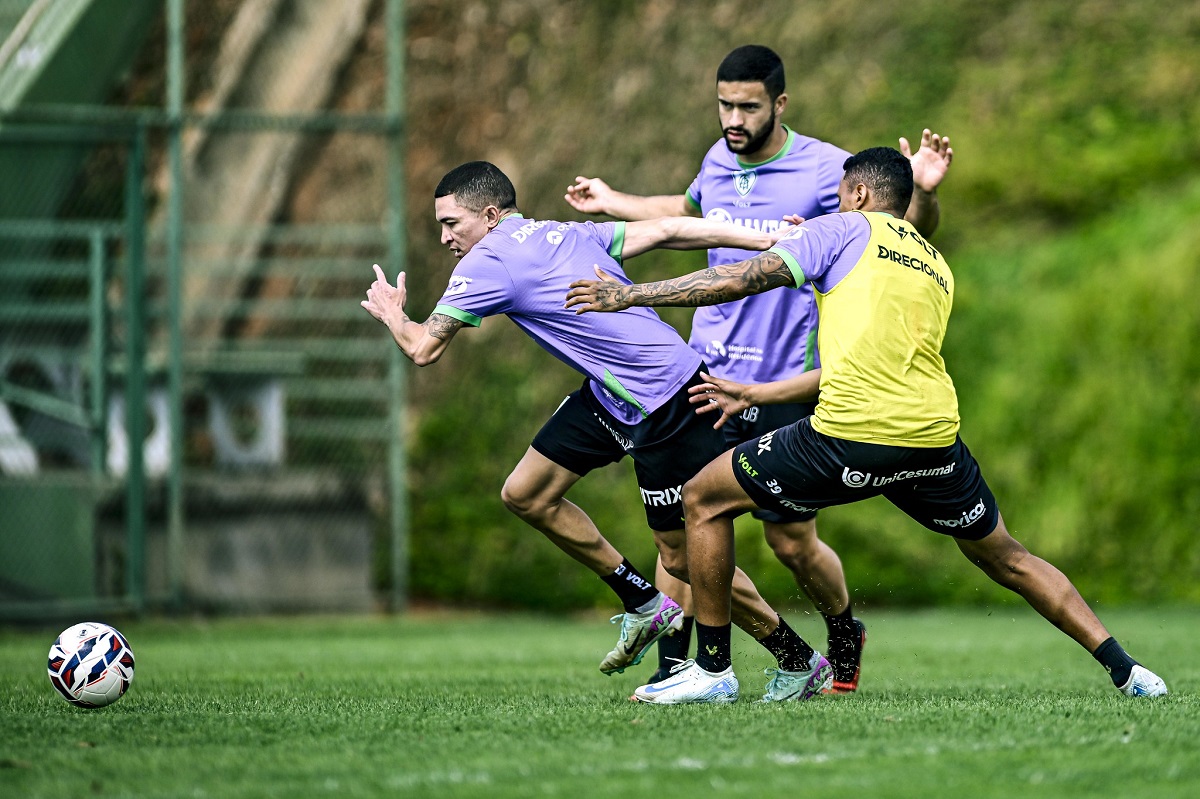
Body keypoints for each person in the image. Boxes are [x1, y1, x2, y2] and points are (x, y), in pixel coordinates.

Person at [565, 146, 1168, 703]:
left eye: (838, 195)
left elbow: (734, 279)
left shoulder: (841, 228)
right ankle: (1127, 669)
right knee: (1006, 556)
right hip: (933, 440)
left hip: (853, 434)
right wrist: (761, 389)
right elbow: (860, 362)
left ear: (854, 195)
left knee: (702, 499)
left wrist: (630, 296)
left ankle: (714, 672)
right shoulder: (933, 265)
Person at [362, 160, 837, 701]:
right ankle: (643, 603)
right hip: (613, 395)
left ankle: (797, 660)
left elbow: (423, 347)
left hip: (667, 397)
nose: (446, 237)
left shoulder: (488, 260)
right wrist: (771, 236)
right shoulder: (561, 232)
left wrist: (392, 315)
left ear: (490, 216)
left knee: (684, 557)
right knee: (527, 493)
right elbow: (669, 230)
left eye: (452, 223)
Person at [563, 43, 954, 691]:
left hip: (779, 382)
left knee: (791, 543)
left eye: (747, 105)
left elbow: (908, 229)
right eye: (724, 104)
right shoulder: (718, 158)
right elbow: (689, 215)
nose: (733, 118)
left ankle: (842, 627)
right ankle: (681, 667)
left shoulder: (830, 166)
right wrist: (613, 199)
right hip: (704, 374)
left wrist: (927, 194)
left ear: (780, 104)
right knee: (683, 525)